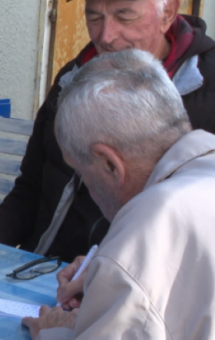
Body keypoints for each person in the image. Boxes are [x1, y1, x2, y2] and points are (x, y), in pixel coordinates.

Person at [0, 0, 215, 262]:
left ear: (168, 13)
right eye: (94, 16)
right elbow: (34, 185)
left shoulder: (208, 85)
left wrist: (109, 272)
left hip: (146, 286)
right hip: (45, 267)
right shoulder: (74, 79)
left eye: (124, 15)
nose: (106, 35)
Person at [21, 48, 215, 339]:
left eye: (82, 173)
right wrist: (110, 282)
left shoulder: (153, 217)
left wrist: (54, 333)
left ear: (110, 164)